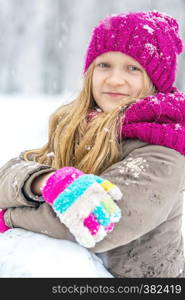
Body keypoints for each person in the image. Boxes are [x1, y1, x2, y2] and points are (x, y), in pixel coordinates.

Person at [0, 10, 185, 278]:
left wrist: (9, 217)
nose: (114, 79)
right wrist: (44, 181)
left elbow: (98, 225)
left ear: (155, 81)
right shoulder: (75, 127)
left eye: (133, 68)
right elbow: (9, 173)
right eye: (104, 65)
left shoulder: (163, 149)